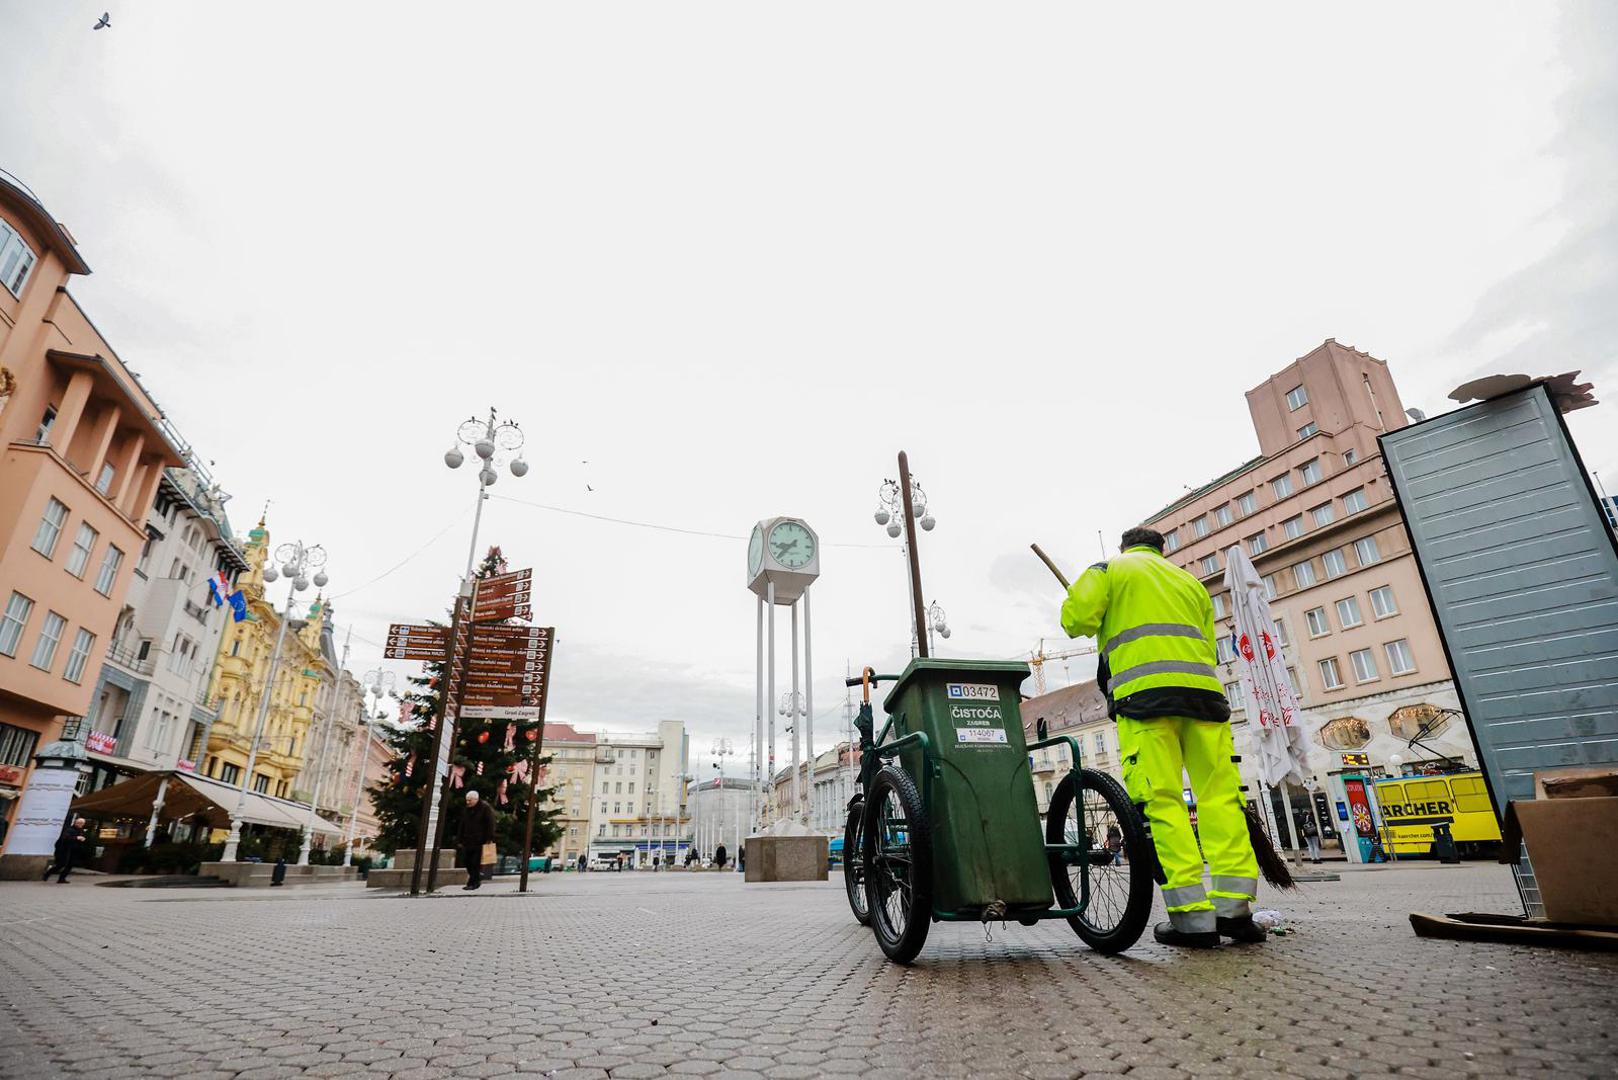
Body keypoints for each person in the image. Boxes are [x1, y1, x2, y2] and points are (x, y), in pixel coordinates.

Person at [1061, 526, 1263, 948]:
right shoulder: (1189, 582)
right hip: (1205, 699)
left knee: (1164, 800)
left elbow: (1076, 619)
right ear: (1161, 549)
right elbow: (1205, 645)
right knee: (1221, 798)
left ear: (1125, 546)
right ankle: (1235, 911)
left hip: (1146, 700)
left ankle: (1192, 918)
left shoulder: (1110, 569)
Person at [455, 790, 497, 891]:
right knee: (467, 861)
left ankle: (473, 883)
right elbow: (462, 825)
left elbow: (490, 823)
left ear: (476, 799)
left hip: (480, 841)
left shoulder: (485, 808)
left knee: (475, 863)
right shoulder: (466, 810)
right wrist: (459, 839)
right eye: (467, 800)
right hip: (467, 840)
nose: (467, 802)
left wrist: (489, 838)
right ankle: (475, 880)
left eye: (470, 800)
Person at [43, 817, 91, 884]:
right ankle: (47, 874)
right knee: (61, 864)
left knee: (70, 865)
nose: (80, 824)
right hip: (65, 850)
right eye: (79, 823)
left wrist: (83, 840)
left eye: (82, 823)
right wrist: (76, 838)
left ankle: (62, 879)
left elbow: (83, 839)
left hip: (74, 851)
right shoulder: (69, 829)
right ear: (75, 822)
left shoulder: (81, 831)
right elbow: (65, 838)